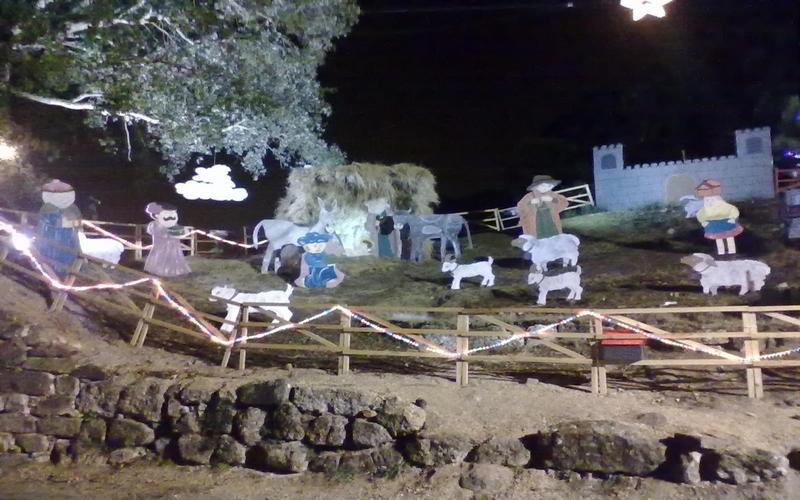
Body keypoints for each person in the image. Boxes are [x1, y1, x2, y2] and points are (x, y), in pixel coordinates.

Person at [37, 179, 82, 278]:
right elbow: (44, 221)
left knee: (66, 254)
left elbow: (78, 223)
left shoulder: (73, 208)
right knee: (51, 254)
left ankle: (62, 274)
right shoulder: (47, 207)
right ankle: (53, 273)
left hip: (66, 237)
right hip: (52, 235)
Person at [694, 179, 744, 255]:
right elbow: (700, 215)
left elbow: (733, 210)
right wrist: (703, 222)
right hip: (714, 225)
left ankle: (732, 252)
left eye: (712, 200)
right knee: (718, 239)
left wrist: (732, 218)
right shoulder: (704, 209)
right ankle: (721, 252)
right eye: (707, 200)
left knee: (729, 237)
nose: (710, 202)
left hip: (726, 223)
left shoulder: (725, 206)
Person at [143, 202, 191, 277]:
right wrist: (168, 232)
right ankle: (160, 271)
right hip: (160, 246)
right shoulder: (154, 224)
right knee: (160, 257)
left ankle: (176, 270)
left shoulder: (174, 224)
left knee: (174, 257)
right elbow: (159, 233)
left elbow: (180, 233)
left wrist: (181, 231)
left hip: (174, 246)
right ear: (157, 215)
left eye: (173, 214)